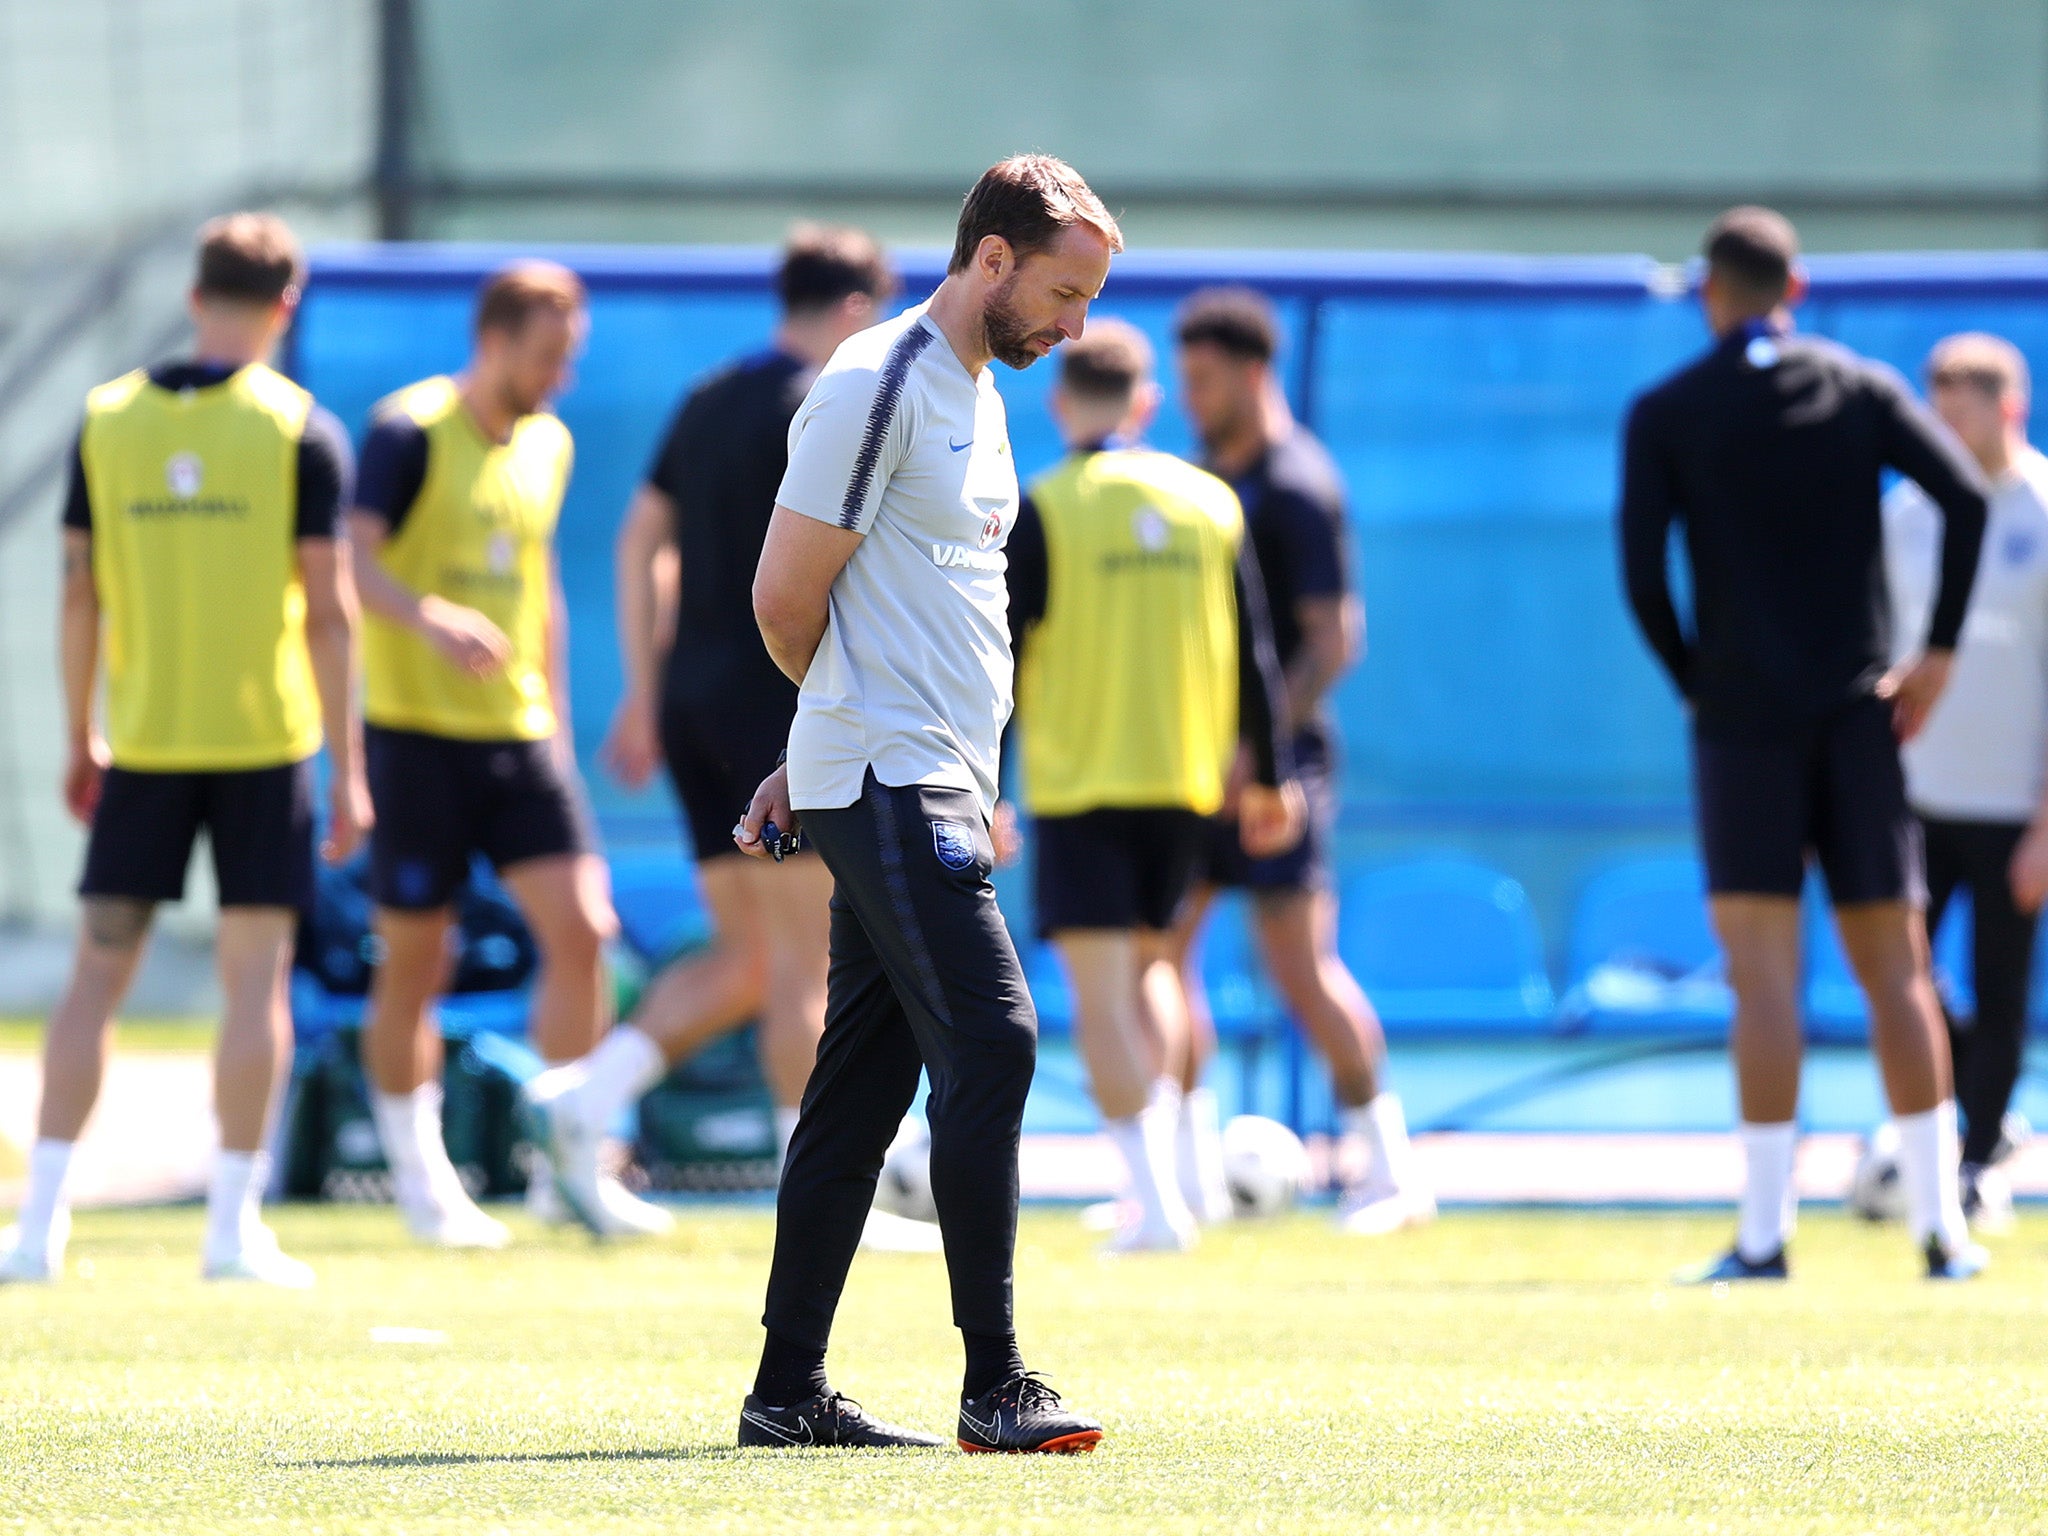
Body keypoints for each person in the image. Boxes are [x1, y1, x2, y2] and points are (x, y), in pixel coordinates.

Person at [730, 155, 1117, 1453]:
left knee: (857, 1091)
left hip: (924, 772)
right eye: (1063, 295)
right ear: (992, 259)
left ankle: (786, 1394)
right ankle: (995, 1381)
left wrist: (865, 752)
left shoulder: (977, 392)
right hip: (892, 772)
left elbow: (913, 606)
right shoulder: (879, 378)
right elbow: (786, 597)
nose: (1076, 331)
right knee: (997, 1041)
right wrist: (839, 736)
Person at [1621, 206, 1992, 1283]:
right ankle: (1943, 1233)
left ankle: (1761, 1237)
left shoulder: (1668, 410)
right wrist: (1935, 655)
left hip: (1741, 727)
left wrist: (1701, 682)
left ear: (1710, 292)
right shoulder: (1858, 385)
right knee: (1896, 971)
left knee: (1762, 981)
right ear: (1796, 285)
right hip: (1857, 718)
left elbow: (1643, 580)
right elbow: (1966, 501)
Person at [0, 213, 368, 1286]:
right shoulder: (301, 429)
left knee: (93, 976)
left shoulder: (106, 420)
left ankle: (37, 1229)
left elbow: (79, 592)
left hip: (145, 746)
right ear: (284, 305)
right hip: (263, 746)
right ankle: (229, 1233)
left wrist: (83, 733)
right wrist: (348, 769)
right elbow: (330, 612)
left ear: (196, 295)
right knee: (254, 983)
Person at [524, 228, 895, 1205]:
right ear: (855, 309)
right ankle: (817, 1192)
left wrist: (648, 689)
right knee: (808, 963)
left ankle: (585, 1092)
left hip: (692, 707)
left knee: (749, 958)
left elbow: (643, 535)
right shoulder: (824, 405)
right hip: (776, 709)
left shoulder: (705, 398)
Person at [347, 261, 667, 1245]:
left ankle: (560, 1167)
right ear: (493, 339)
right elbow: (350, 562)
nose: (558, 377)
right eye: (545, 356)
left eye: (568, 358)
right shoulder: (406, 432)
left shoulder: (550, 443)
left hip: (520, 737)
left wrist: (561, 735)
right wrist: (430, 616)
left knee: (581, 933)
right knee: (418, 959)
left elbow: (541, 592)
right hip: (414, 736)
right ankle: (422, 1181)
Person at [1003, 318, 1301, 1254]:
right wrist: (1273, 773)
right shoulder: (1208, 500)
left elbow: (1001, 659)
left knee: (1099, 994)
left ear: (1059, 404)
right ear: (1146, 403)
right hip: (1185, 780)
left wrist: (986, 784)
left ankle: (1155, 1205)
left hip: (1083, 779)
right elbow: (1257, 651)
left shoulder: (1044, 504)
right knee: (1159, 970)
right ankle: (1166, 1185)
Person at [1165, 287, 1433, 1236]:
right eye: (1180, 377)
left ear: (1250, 372)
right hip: (1200, 764)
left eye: (1202, 378)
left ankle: (1394, 1176)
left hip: (1282, 765)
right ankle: (1183, 1180)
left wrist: (1261, 746)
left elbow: (1334, 638)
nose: (1188, 395)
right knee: (1165, 956)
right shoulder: (1199, 474)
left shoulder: (1300, 482)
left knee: (1299, 964)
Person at [1881, 331, 2048, 1231]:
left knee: (2002, 980)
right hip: (1914, 796)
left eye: (1963, 407)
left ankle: (1978, 1161)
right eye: (1934, 408)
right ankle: (1955, 1125)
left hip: (2014, 805)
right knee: (1905, 975)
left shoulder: (2044, 509)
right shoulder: (1906, 512)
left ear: (2008, 407)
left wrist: (2046, 826)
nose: (1946, 426)